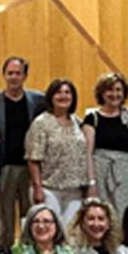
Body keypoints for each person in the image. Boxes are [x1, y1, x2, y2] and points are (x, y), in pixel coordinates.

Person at [0, 56, 45, 244]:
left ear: (25, 76)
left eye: (18, 73)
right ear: (4, 75)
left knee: (31, 217)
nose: (14, 77)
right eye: (10, 73)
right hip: (5, 168)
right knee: (4, 220)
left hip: (30, 168)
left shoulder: (38, 100)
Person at [25, 78, 89, 226]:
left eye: (67, 92)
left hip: (75, 191)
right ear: (51, 97)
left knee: (71, 235)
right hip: (49, 188)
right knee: (51, 230)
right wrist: (38, 188)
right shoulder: (41, 123)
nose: (63, 96)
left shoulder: (78, 122)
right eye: (58, 92)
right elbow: (33, 159)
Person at [83, 72, 128, 214]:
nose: (114, 94)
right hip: (101, 174)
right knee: (105, 215)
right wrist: (92, 183)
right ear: (102, 93)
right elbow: (87, 153)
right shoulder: (92, 118)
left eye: (118, 90)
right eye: (109, 90)